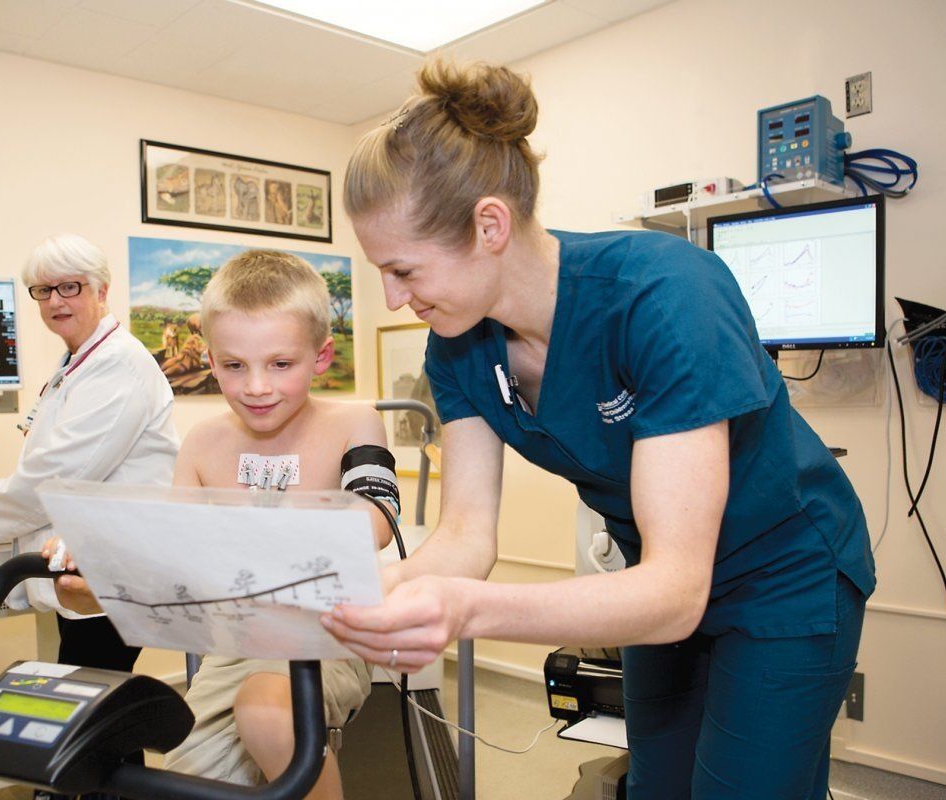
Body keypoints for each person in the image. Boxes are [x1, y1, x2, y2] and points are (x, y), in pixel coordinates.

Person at [323, 62, 876, 800]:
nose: (393, 297)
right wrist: (352, 593)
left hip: (783, 572)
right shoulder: (457, 345)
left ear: (489, 225)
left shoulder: (666, 294)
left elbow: (678, 591)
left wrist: (465, 609)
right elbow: (465, 538)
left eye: (404, 270)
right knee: (655, 787)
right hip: (653, 579)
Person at [52, 249, 398, 799]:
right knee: (181, 786)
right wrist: (98, 570)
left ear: (322, 356)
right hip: (232, 647)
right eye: (235, 366)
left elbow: (374, 520)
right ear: (210, 361)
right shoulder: (203, 444)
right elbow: (170, 565)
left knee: (265, 710)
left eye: (280, 364)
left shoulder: (353, 422)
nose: (257, 386)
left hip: (325, 638)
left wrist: (236, 547)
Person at [0, 233, 178, 799]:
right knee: (98, 707)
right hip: (83, 558)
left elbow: (60, 471)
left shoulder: (120, 365)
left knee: (92, 710)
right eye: (42, 290)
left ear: (101, 290)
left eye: (69, 287)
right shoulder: (79, 362)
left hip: (115, 560)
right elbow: (51, 460)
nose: (55, 301)